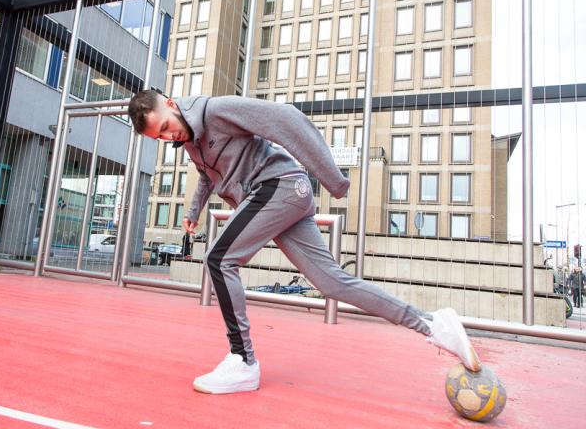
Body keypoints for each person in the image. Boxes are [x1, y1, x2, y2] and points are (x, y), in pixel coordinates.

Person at [128, 90, 482, 394]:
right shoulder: (190, 141)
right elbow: (207, 175)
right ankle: (434, 325)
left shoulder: (216, 110)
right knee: (332, 283)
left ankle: (242, 360)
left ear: (171, 104)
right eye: (160, 138)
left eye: (165, 127)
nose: (169, 136)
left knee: (219, 260)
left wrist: (333, 180)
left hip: (277, 186)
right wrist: (194, 210)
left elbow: (286, 118)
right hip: (278, 196)